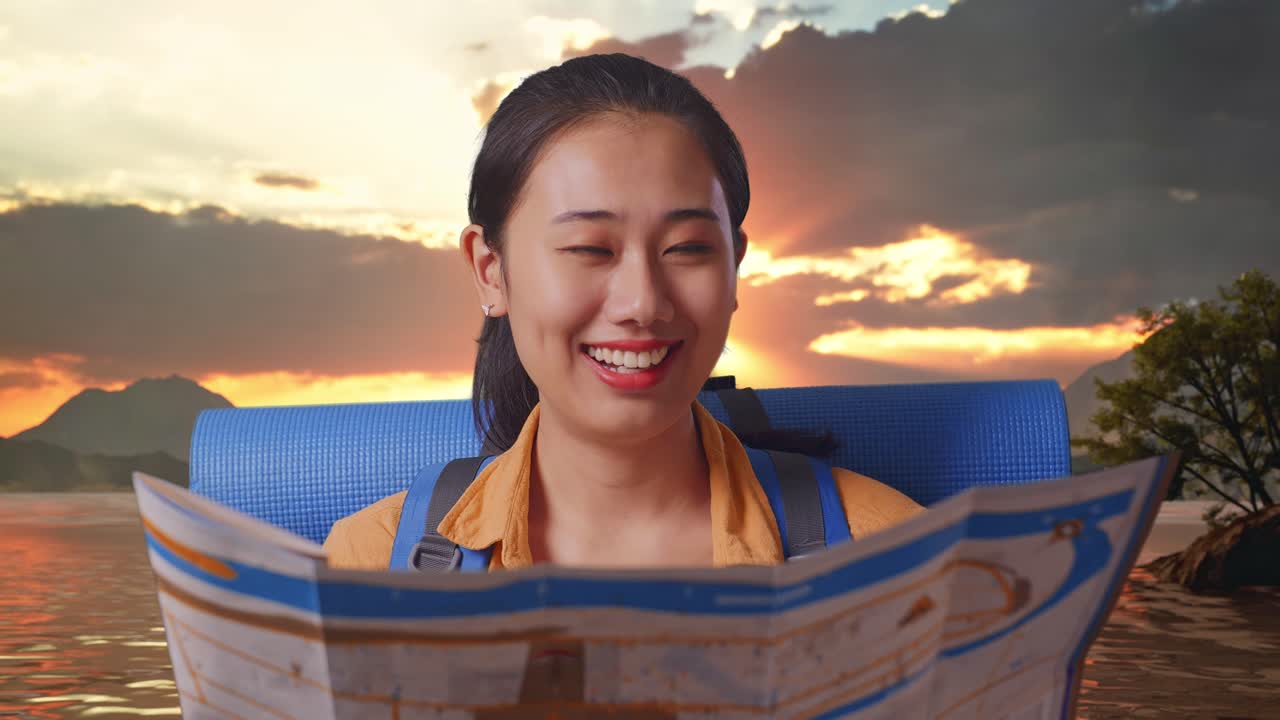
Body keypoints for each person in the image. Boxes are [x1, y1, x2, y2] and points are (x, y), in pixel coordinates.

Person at [323, 52, 924, 571]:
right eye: (589, 249)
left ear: (734, 266)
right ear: (490, 270)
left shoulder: (891, 552)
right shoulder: (366, 564)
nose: (643, 303)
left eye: (687, 248)